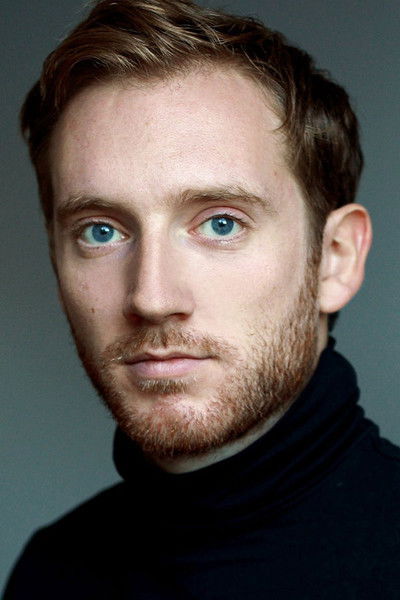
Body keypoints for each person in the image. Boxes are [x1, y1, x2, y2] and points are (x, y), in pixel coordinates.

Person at [3, 0, 399, 598]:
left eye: (220, 223)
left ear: (336, 257)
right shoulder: (48, 575)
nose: (151, 297)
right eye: (101, 231)